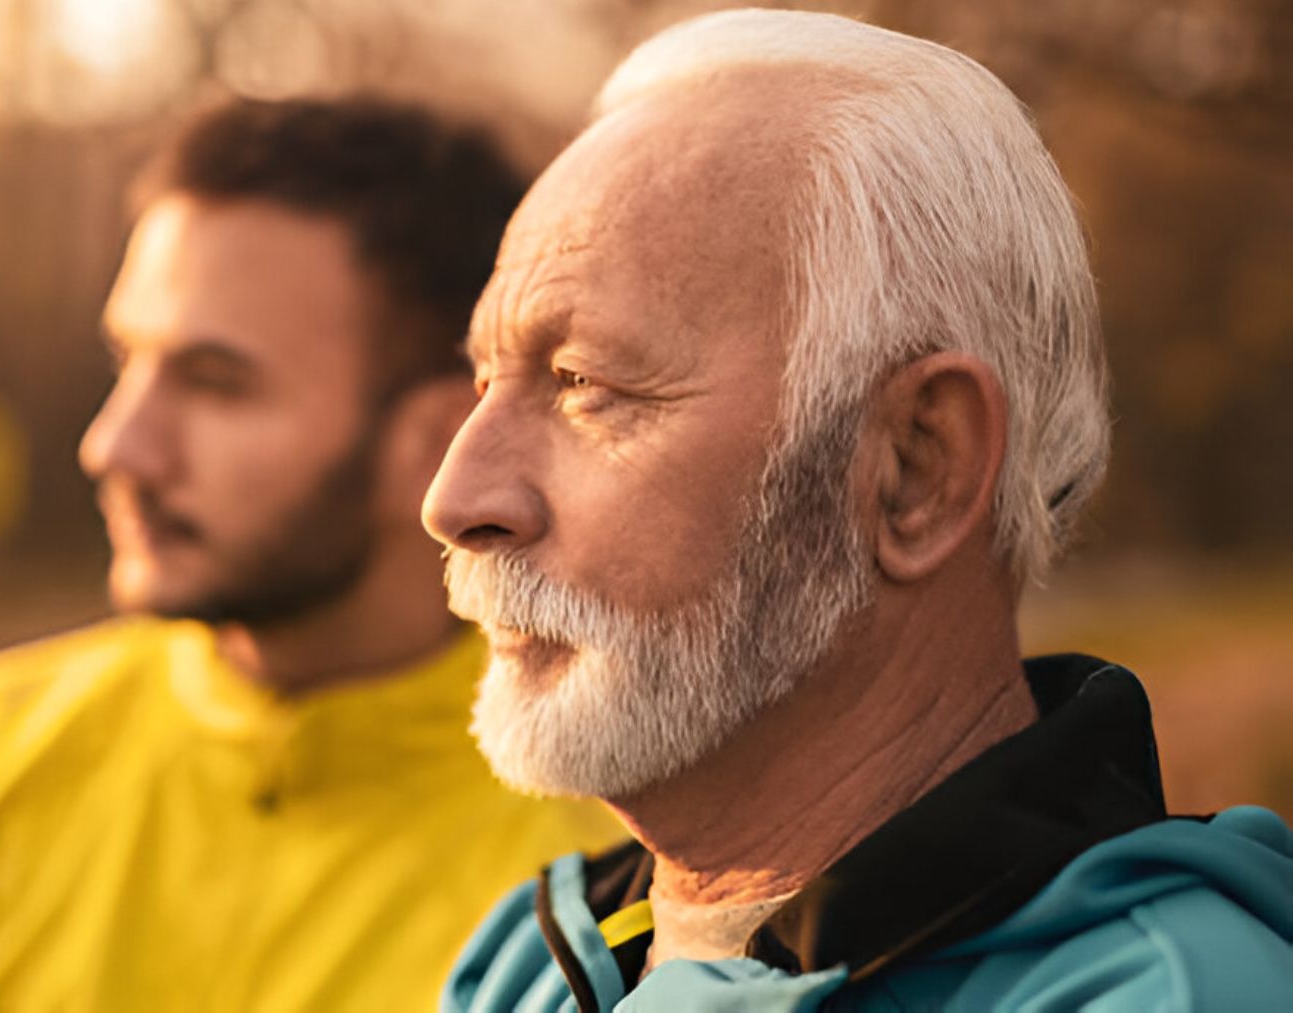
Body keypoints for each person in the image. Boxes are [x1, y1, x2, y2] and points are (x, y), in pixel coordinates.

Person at [424, 10, 1293, 1011]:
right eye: (486, 382)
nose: (456, 498)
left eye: (585, 383)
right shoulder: (535, 961)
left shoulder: (1166, 993)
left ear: (914, 469)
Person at [0, 97, 619, 1012]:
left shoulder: (613, 878)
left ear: (443, 439)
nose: (115, 445)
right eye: (128, 362)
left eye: (214, 384)